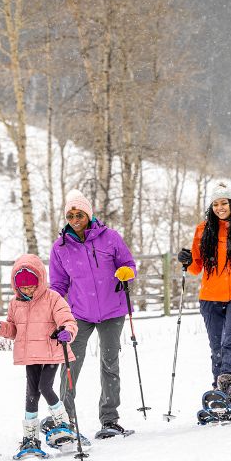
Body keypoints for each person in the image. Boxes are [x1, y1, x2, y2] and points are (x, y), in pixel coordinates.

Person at [49, 188, 137, 439]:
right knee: (70, 364)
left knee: (110, 363)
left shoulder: (110, 237)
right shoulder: (60, 247)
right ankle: (65, 419)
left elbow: (128, 265)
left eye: (79, 214)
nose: (75, 219)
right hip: (79, 314)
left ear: (88, 214)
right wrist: (53, 309)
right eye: (70, 215)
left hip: (112, 310)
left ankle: (109, 420)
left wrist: (125, 273)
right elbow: (57, 285)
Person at [0, 253, 78, 454]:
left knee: (45, 386)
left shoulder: (53, 298)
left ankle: (64, 424)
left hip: (52, 352)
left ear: (40, 281)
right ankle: (30, 436)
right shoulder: (15, 303)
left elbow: (68, 320)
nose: (27, 290)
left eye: (31, 286)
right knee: (31, 394)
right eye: (23, 287)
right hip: (30, 355)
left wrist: (67, 332)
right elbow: (13, 329)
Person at [178, 183, 231, 404]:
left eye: (224, 202)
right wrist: (187, 260)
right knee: (216, 346)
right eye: (215, 204)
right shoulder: (203, 230)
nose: (219, 207)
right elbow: (196, 267)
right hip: (210, 296)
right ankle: (218, 391)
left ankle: (227, 389)